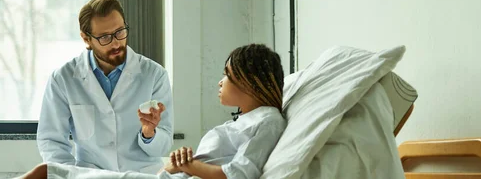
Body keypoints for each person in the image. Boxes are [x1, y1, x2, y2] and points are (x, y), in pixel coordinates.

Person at [20, 43, 286, 179]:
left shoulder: (269, 121)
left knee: (48, 173)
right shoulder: (245, 121)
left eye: (226, 75)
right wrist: (181, 162)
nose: (220, 82)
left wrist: (187, 164)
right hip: (166, 176)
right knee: (51, 171)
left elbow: (239, 174)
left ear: (249, 82)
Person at [36, 0, 173, 174]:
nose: (116, 42)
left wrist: (149, 134)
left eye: (120, 32)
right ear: (86, 39)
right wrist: (71, 176)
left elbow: (163, 147)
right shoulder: (63, 79)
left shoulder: (154, 75)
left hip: (142, 175)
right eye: (105, 37)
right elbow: (51, 140)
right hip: (91, 176)